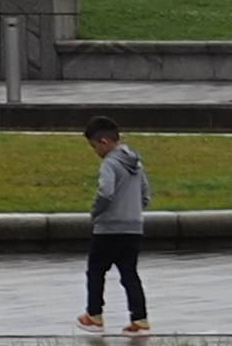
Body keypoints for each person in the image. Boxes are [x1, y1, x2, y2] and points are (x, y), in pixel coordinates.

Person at [78, 113, 150, 332]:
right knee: (129, 274)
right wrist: (133, 211)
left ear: (104, 142)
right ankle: (140, 319)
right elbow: (145, 195)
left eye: (94, 147)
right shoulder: (136, 163)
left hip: (108, 229)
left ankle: (94, 315)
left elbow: (106, 193)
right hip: (133, 227)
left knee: (96, 270)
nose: (95, 152)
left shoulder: (109, 163)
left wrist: (96, 212)